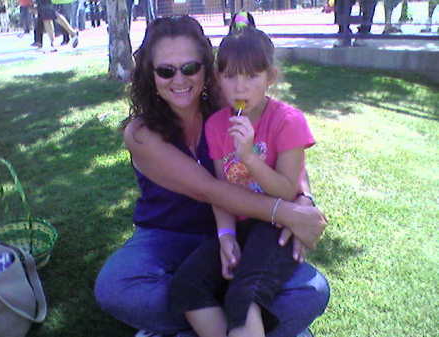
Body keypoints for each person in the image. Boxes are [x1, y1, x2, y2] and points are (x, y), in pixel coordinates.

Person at [94, 15, 329, 337]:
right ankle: (239, 318)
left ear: (207, 69)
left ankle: (200, 321)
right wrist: (287, 213)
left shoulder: (231, 107)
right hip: (168, 236)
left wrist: (304, 200)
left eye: (190, 68)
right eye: (166, 70)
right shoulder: (140, 133)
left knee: (312, 290)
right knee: (116, 287)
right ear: (151, 75)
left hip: (239, 230)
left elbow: (285, 154)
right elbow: (209, 190)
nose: (179, 79)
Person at [169, 12, 320, 337]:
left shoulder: (288, 122)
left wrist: (249, 157)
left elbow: (284, 191)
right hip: (239, 224)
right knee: (187, 285)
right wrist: (225, 237)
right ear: (217, 78)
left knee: (244, 294)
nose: (240, 86)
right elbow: (221, 190)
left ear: (271, 77)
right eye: (230, 76)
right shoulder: (216, 125)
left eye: (252, 76)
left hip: (278, 224)